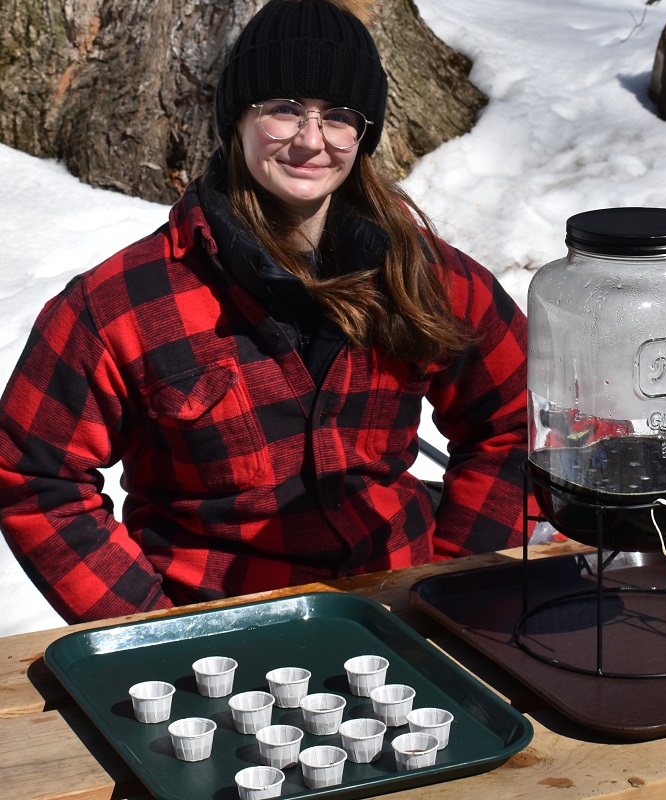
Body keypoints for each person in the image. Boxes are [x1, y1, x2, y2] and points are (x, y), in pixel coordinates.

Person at [0, 0, 531, 624]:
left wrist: (450, 581)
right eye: (284, 109)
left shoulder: (423, 276)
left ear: (362, 135)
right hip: (219, 635)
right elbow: (35, 474)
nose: (311, 140)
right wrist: (151, 629)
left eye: (338, 116)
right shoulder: (125, 302)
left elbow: (520, 422)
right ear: (238, 120)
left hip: (401, 613)